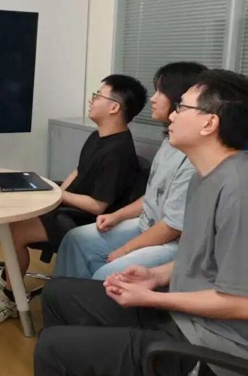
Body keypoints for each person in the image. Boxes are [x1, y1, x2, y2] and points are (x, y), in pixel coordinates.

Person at [14, 69, 248, 376]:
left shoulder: (239, 190)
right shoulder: (207, 177)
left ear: (210, 122)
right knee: (60, 295)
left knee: (55, 351)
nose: (171, 113)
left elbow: (240, 302)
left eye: (183, 107)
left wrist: (155, 299)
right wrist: (155, 274)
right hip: (185, 324)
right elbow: (203, 261)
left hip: (216, 361)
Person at [0, 74, 147, 324]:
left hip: (88, 220)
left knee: (15, 231)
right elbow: (79, 171)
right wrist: (53, 195)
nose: (92, 100)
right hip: (69, 206)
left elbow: (97, 206)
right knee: (17, 212)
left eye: (98, 95)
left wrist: (58, 195)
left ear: (114, 107)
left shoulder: (118, 152)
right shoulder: (98, 136)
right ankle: (8, 276)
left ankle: (10, 300)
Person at [53, 61, 207, 282]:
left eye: (161, 92)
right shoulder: (170, 143)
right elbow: (153, 196)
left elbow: (172, 228)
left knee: (107, 273)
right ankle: (66, 298)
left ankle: (87, 299)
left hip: (172, 242)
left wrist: (125, 250)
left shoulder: (193, 161)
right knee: (75, 239)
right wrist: (117, 216)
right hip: (147, 224)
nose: (153, 99)